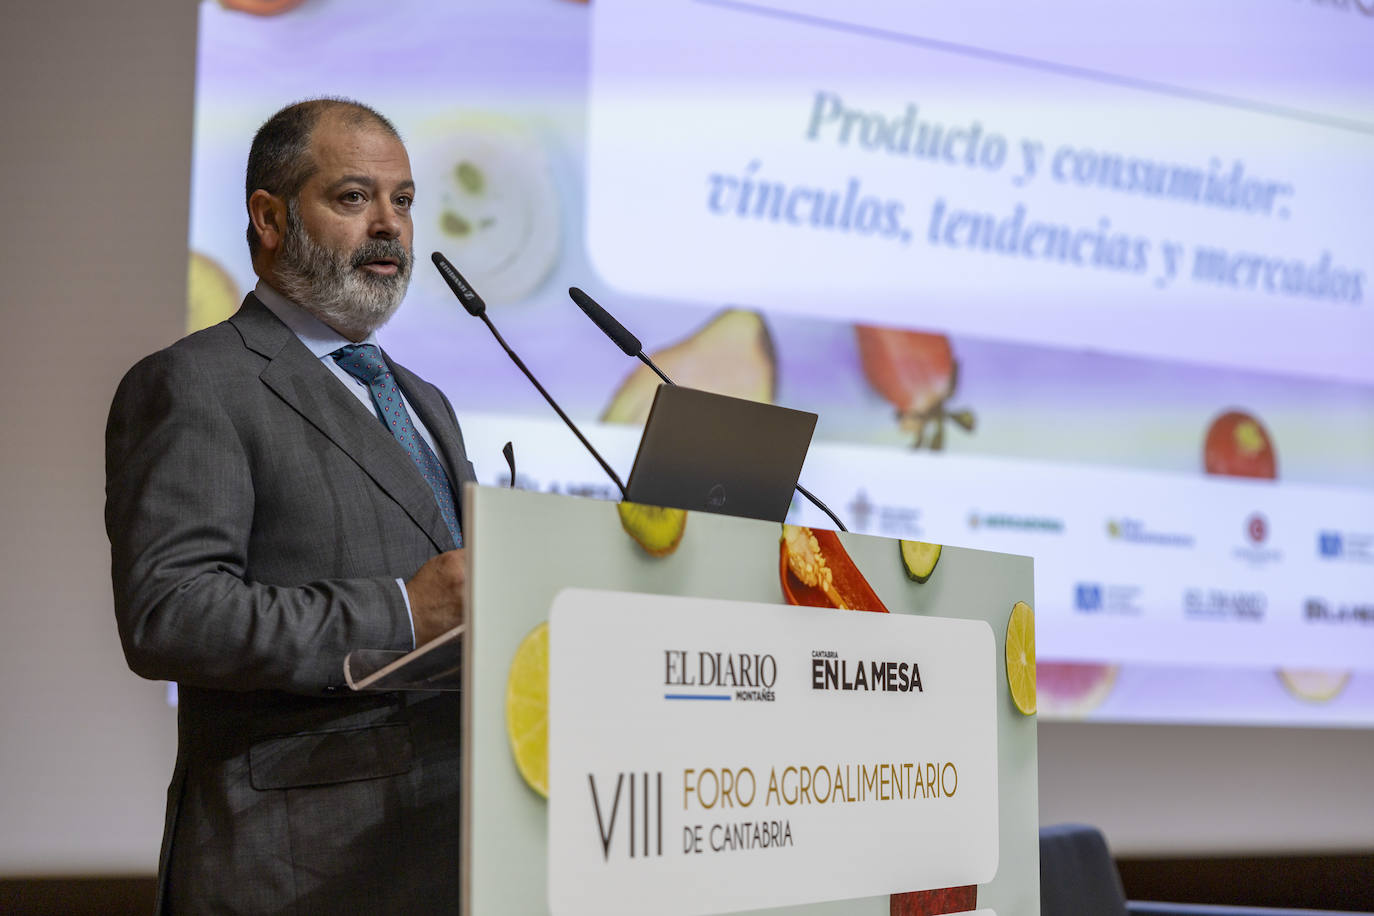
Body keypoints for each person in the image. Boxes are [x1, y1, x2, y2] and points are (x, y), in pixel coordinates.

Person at [106, 98, 470, 914]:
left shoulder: (424, 402)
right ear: (269, 218)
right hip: (297, 869)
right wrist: (402, 612)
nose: (390, 226)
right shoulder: (197, 382)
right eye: (353, 198)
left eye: (403, 201)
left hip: (445, 850)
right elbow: (172, 613)